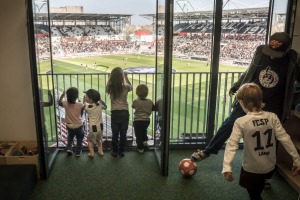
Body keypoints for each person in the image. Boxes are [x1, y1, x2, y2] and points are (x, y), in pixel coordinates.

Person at [191, 32, 300, 187]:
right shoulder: (261, 51)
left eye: (277, 52)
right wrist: (237, 86)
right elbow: (249, 72)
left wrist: (293, 101)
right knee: (229, 124)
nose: (273, 56)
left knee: (271, 138)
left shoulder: (293, 59)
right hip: (250, 98)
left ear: (287, 49)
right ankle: (208, 151)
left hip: (274, 105)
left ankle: (266, 175)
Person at [222, 83, 300, 200]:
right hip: (269, 166)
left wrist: (227, 167)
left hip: (251, 168)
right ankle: (262, 184)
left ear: (242, 103)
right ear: (260, 100)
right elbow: (285, 138)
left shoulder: (241, 122)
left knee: (254, 194)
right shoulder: (272, 117)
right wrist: (297, 159)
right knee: (260, 181)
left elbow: (232, 145)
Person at [106, 67, 132, 157]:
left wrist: (110, 78)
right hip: (124, 112)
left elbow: (108, 84)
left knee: (115, 133)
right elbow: (131, 86)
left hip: (115, 113)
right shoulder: (125, 87)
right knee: (123, 133)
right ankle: (121, 151)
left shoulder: (110, 87)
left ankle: (114, 151)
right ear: (122, 77)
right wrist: (126, 77)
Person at [58, 87, 84, 157]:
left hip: (69, 125)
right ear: (77, 96)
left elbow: (59, 102)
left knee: (70, 137)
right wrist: (82, 101)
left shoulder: (65, 103)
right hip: (79, 125)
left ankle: (69, 148)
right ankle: (78, 152)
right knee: (80, 139)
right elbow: (82, 111)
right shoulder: (80, 104)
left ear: (67, 95)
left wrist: (62, 96)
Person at [132, 84, 155, 153]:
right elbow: (153, 108)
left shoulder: (136, 101)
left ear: (137, 93)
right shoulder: (150, 101)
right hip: (146, 121)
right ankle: (145, 142)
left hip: (137, 121)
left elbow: (133, 106)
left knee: (138, 134)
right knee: (144, 131)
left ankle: (140, 148)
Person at [83, 89, 105, 158]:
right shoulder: (100, 104)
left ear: (90, 100)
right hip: (100, 127)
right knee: (99, 140)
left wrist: (83, 101)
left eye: (86, 96)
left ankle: (92, 153)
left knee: (90, 141)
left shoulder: (88, 107)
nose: (85, 97)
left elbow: (82, 106)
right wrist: (100, 99)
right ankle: (101, 152)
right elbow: (105, 106)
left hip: (93, 128)